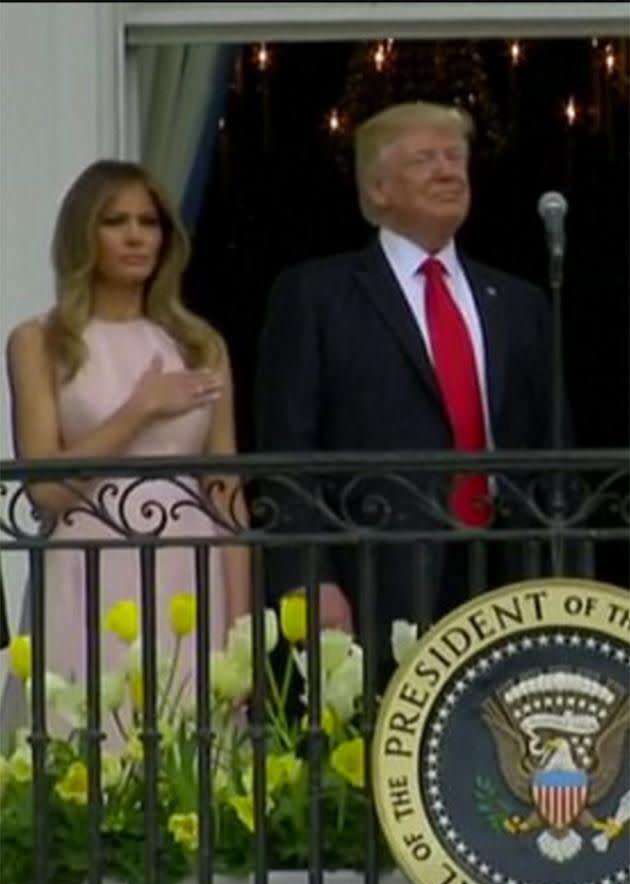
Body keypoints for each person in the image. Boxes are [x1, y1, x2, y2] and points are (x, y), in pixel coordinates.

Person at [255, 101, 563, 654]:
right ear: (377, 190)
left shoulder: (519, 302)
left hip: (504, 565)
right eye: (425, 160)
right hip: (376, 569)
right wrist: (308, 578)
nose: (449, 171)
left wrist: (559, 569)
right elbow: (287, 448)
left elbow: (551, 445)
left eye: (456, 157)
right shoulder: (317, 295)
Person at [3, 160, 250, 736]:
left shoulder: (198, 343)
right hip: (88, 559)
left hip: (190, 566)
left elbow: (227, 489)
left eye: (149, 222)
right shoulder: (40, 342)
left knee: (192, 745)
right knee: (87, 737)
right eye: (116, 221)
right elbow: (44, 487)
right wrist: (140, 409)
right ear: (83, 235)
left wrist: (241, 626)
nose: (137, 236)